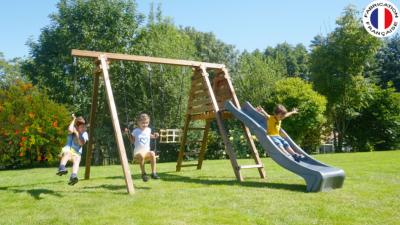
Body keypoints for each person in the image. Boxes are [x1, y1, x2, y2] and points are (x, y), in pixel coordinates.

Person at [124, 113, 160, 182]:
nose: (145, 124)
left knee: (152, 153)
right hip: (138, 154)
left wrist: (156, 135)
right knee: (141, 155)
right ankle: (143, 174)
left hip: (146, 153)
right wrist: (128, 134)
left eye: (146, 123)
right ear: (138, 122)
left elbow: (151, 136)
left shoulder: (148, 129)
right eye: (143, 123)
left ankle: (153, 173)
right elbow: (132, 141)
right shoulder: (135, 131)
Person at [56, 114, 88, 185]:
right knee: (67, 154)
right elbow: (70, 129)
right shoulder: (72, 132)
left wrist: (77, 133)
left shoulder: (85, 134)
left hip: (77, 153)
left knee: (77, 160)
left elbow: (81, 143)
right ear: (77, 126)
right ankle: (62, 167)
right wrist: (74, 119)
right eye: (81, 126)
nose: (83, 128)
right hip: (69, 149)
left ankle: (73, 176)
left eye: (84, 127)